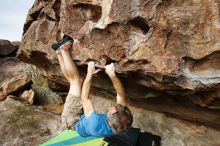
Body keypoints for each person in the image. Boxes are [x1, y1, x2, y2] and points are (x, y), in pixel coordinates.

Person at [52, 35, 133, 137]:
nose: (113, 106)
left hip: (72, 120)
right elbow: (121, 94)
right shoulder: (122, 119)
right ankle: (58, 52)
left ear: (110, 123)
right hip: (84, 118)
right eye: (118, 108)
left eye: (113, 110)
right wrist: (112, 75)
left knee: (76, 81)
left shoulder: (95, 124)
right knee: (76, 81)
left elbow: (84, 98)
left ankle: (63, 50)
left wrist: (90, 72)